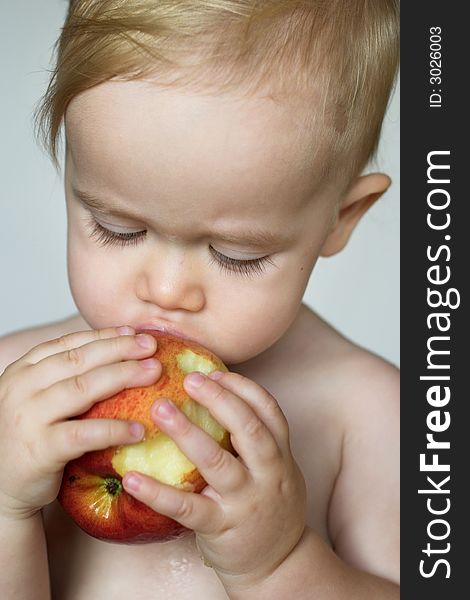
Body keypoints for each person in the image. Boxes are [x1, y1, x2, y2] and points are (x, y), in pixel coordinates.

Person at [0, 1, 399, 598]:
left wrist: (281, 564)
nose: (165, 291)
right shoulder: (18, 396)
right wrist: (6, 511)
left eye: (236, 255)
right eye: (117, 228)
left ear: (339, 220)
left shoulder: (366, 414)